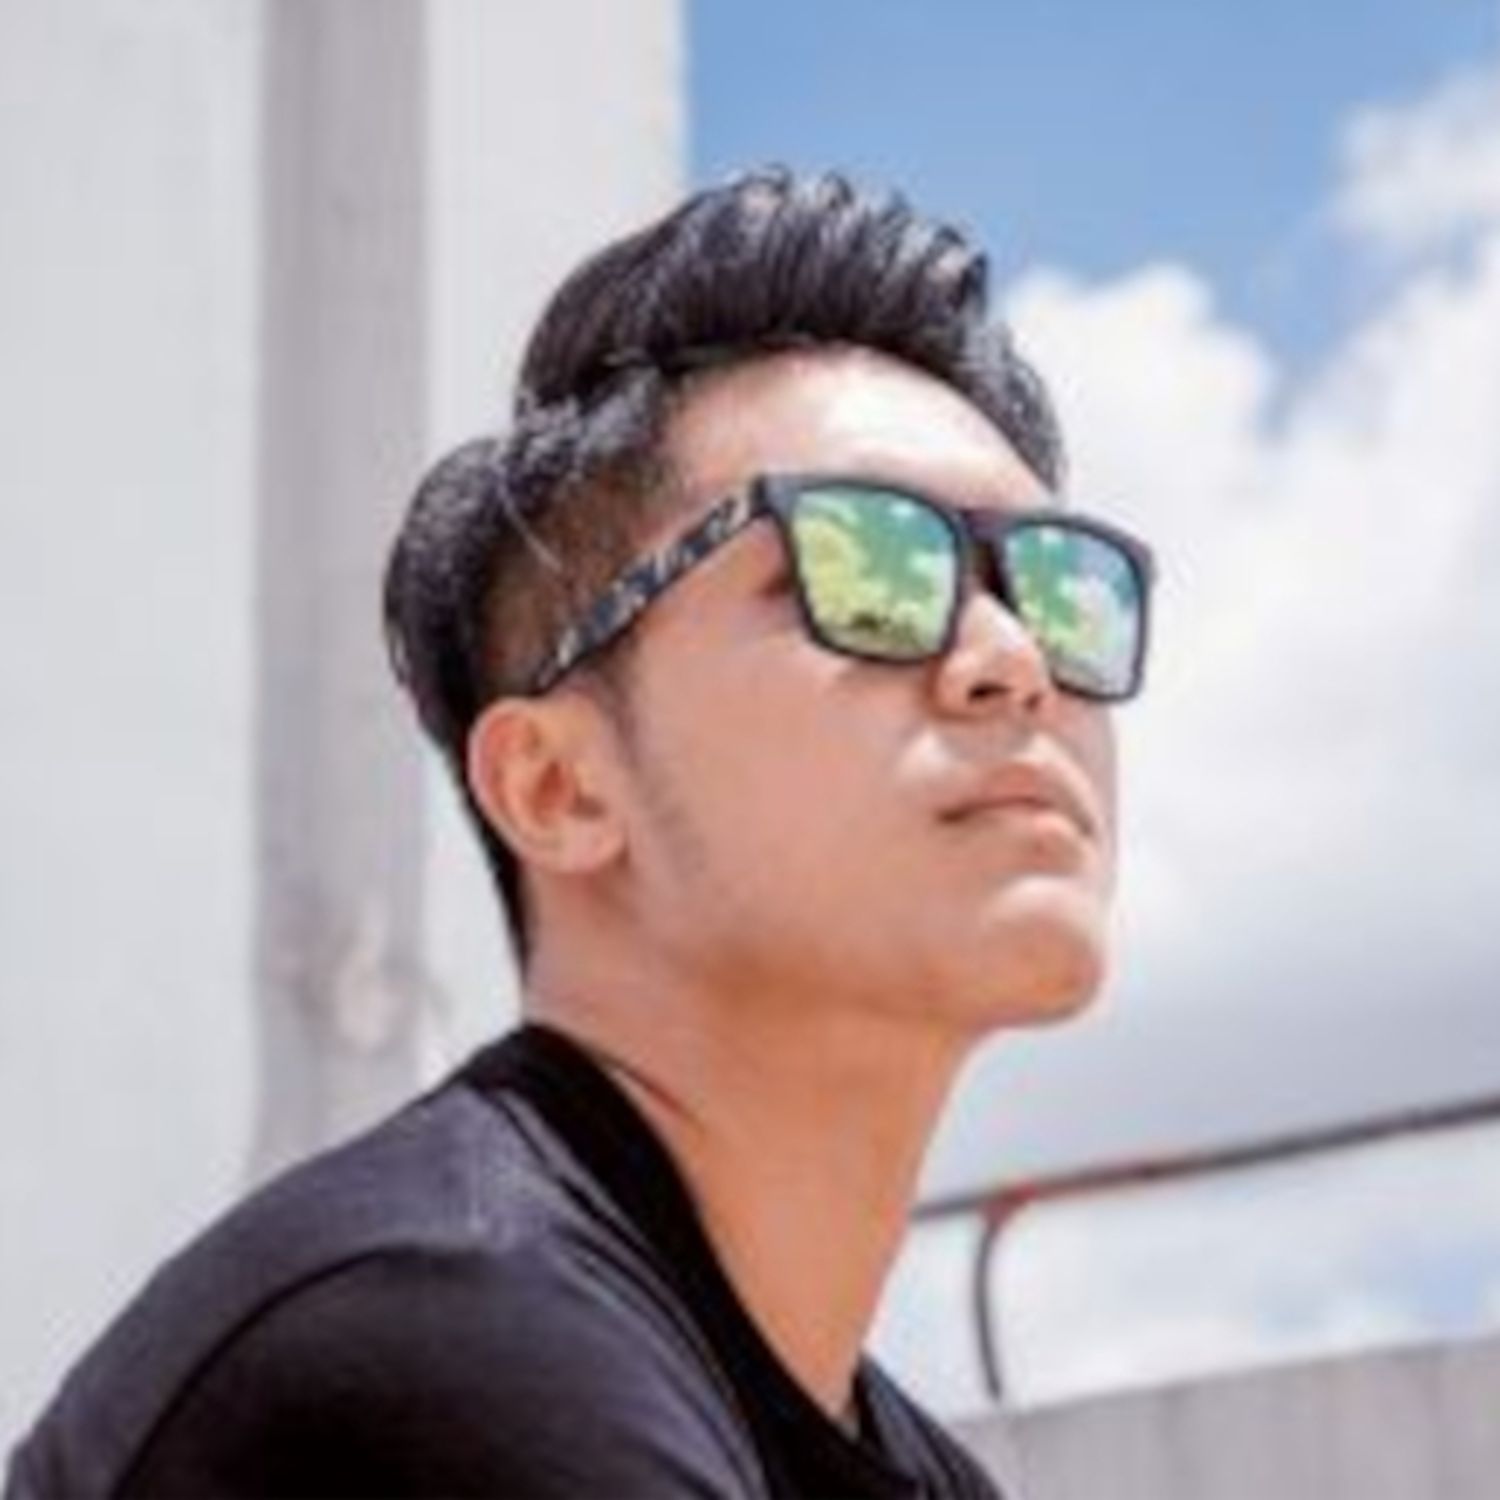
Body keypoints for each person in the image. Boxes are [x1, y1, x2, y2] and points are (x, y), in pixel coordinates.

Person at [8, 166, 1154, 1498]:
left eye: (1057, 587)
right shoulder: (442, 1332)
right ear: (558, 788)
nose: (1013, 658)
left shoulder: (906, 1466)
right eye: (869, 565)